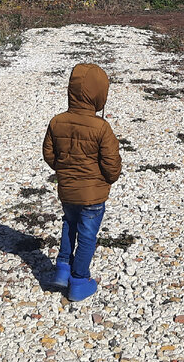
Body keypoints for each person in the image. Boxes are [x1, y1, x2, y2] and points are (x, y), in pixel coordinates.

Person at [42, 62, 122, 302]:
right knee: (87, 235)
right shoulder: (101, 127)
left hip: (68, 190)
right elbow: (111, 164)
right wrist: (109, 178)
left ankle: (62, 269)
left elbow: (49, 154)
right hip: (93, 194)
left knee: (69, 224)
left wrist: (64, 170)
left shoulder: (57, 121)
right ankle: (78, 280)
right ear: (99, 95)